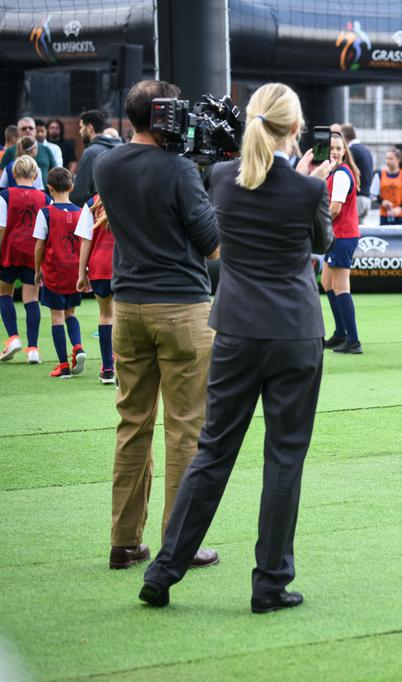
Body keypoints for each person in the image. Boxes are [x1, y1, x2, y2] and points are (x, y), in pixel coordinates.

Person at [139, 82, 332, 613]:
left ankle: (164, 571)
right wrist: (314, 188)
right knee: (284, 459)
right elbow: (322, 244)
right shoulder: (309, 191)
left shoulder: (220, 178)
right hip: (294, 332)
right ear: (295, 129)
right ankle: (269, 584)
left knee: (213, 452)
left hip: (237, 331)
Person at [93, 80, 220, 571]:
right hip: (182, 308)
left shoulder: (106, 164)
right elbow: (212, 245)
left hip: (128, 307)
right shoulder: (180, 168)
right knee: (185, 430)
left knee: (132, 425)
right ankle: (178, 544)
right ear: (167, 113)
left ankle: (124, 542)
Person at [32, 167, 84, 379]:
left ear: (49, 188)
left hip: (54, 271)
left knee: (57, 317)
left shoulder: (45, 212)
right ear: (71, 187)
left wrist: (37, 270)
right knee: (71, 313)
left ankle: (63, 365)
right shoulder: (81, 212)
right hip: (74, 271)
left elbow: (39, 245)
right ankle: (78, 347)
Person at [0, 155, 49, 365]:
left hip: (9, 251)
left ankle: (13, 337)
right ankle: (33, 349)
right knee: (32, 299)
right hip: (33, 253)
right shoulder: (46, 198)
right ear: (36, 174)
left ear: (13, 174)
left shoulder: (5, 195)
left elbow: (1, 227)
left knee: (4, 293)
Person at [322, 133, 364, 354]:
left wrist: (318, 223)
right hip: (338, 235)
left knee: (340, 286)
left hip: (342, 235)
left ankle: (353, 340)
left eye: (339, 148)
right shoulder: (335, 172)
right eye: (331, 148)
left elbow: (335, 208)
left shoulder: (341, 174)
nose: (335, 151)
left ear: (345, 150)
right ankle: (340, 333)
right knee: (327, 283)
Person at [75, 194, 117, 383]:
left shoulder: (92, 204)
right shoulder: (134, 194)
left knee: (105, 315)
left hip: (100, 266)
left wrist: (82, 273)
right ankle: (124, 369)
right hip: (127, 266)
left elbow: (86, 240)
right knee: (124, 318)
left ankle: (108, 368)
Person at [71, 111, 122, 207]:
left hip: (98, 210)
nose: (80, 131)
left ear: (90, 128)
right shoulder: (121, 147)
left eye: (81, 127)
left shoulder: (91, 152)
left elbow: (79, 193)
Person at [369, 148, 402, 225]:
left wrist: (400, 208)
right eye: (387, 158)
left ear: (398, 160)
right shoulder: (379, 174)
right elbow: (373, 194)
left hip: (401, 215)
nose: (387, 161)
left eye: (391, 159)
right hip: (385, 215)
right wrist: (382, 202)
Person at [340, 123, 374, 219]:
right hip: (366, 198)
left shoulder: (352, 151)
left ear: (344, 136)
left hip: (357, 199)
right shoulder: (365, 150)